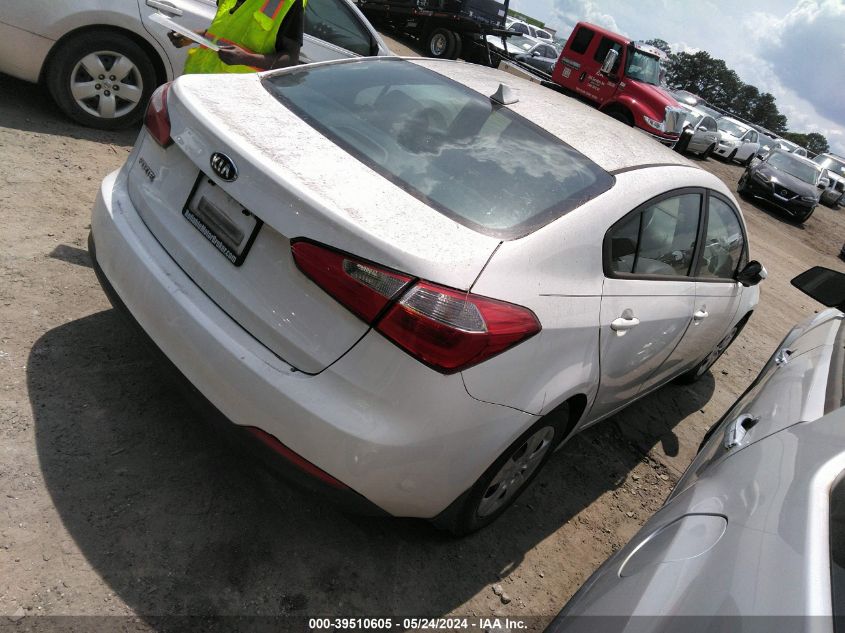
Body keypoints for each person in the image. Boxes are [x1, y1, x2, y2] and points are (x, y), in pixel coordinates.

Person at [167, 0, 305, 74]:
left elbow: (291, 59)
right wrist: (192, 36)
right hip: (194, 80)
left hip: (231, 94)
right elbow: (224, 33)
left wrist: (246, 59)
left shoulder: (288, 2)